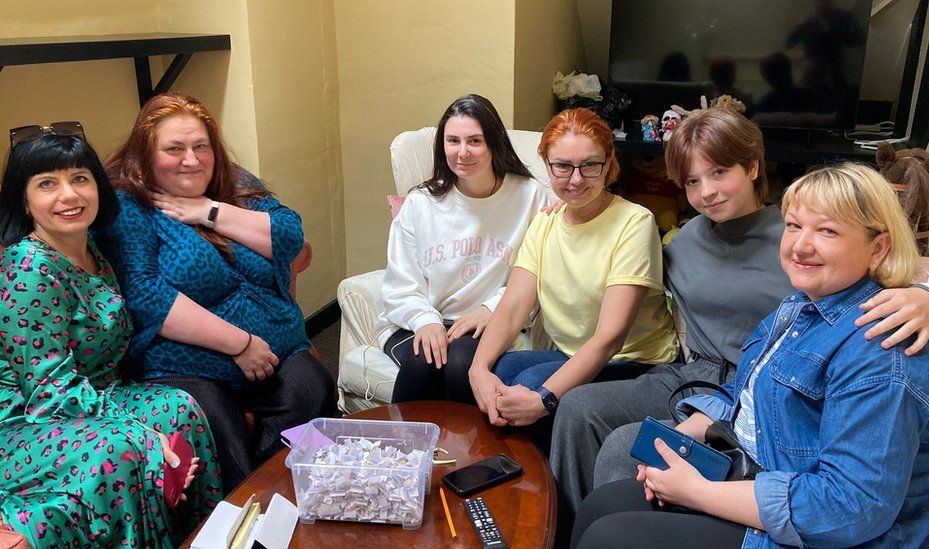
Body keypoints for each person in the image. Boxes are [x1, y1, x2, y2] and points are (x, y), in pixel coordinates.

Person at [550, 108, 929, 522]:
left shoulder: (796, 240)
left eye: (719, 172)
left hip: (760, 385)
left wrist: (925, 299)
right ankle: (565, 527)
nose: (707, 193)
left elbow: (890, 270)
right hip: (694, 376)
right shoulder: (684, 239)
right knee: (579, 409)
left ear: (753, 166)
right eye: (692, 182)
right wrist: (570, 213)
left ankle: (622, 525)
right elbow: (617, 262)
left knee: (625, 446)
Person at [95, 93, 336, 491]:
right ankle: (246, 514)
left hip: (282, 348)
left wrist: (209, 210)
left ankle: (292, 498)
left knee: (314, 387)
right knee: (217, 429)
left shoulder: (232, 181)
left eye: (200, 146)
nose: (191, 159)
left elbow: (289, 235)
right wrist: (240, 345)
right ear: (145, 155)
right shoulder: (130, 205)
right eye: (174, 149)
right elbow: (145, 295)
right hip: (190, 367)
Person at [0, 124, 222, 547]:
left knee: (180, 409)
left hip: (92, 395)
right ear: (25, 202)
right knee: (125, 445)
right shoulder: (29, 270)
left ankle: (202, 539)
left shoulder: (87, 248)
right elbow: (49, 393)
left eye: (79, 178)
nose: (69, 195)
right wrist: (142, 433)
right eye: (47, 184)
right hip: (24, 419)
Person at [468, 108, 678, 431]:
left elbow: (610, 338)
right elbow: (511, 308)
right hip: (572, 354)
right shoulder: (545, 223)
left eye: (590, 165)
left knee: (529, 385)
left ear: (608, 164)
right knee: (501, 370)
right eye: (563, 166)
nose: (576, 179)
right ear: (547, 166)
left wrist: (545, 400)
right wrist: (477, 369)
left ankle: (544, 480)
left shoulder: (635, 223)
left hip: (636, 363)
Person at [377, 94, 550, 404]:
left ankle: (474, 451)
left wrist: (492, 308)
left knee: (460, 364)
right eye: (453, 140)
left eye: (475, 141)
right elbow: (400, 283)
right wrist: (425, 321)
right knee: (422, 361)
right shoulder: (421, 202)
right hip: (421, 317)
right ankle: (404, 447)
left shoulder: (530, 196)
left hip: (489, 321)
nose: (462, 152)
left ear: (494, 143)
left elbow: (542, 272)